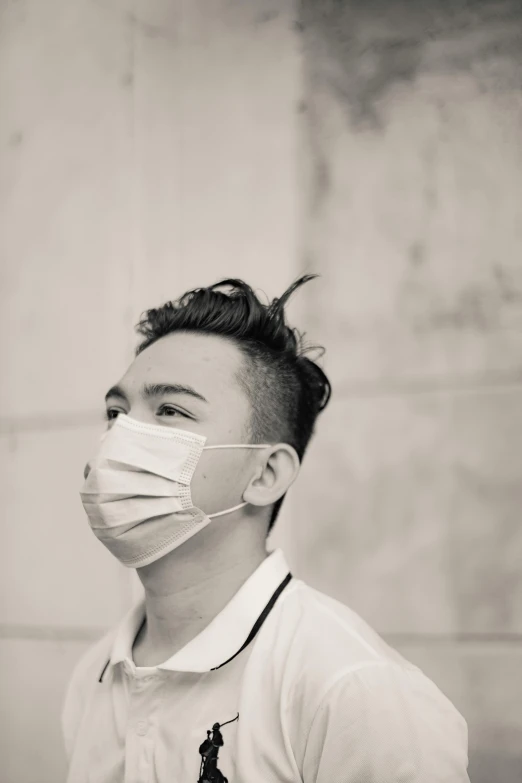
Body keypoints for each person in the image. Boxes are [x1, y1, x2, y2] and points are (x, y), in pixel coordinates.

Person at [62, 276, 470, 782]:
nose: (121, 436)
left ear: (266, 474)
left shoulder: (352, 691)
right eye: (115, 413)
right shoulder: (95, 674)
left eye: (171, 410)